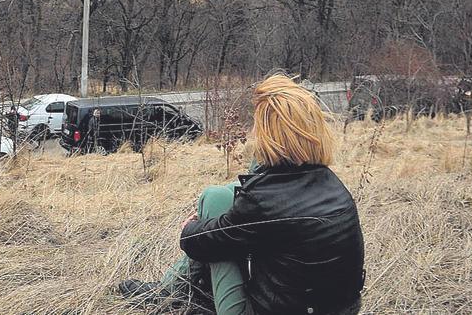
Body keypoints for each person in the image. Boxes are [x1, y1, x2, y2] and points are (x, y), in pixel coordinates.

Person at [119, 74, 365, 315]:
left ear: (270, 133)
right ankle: (175, 290)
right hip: (339, 308)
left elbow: (199, 243)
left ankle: (170, 292)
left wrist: (192, 226)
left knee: (214, 200)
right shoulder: (333, 184)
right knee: (224, 196)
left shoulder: (263, 202)